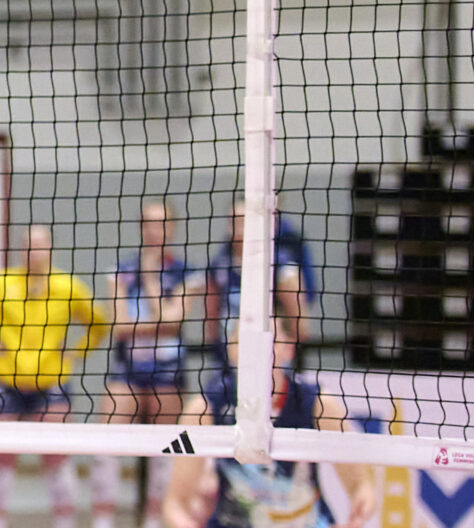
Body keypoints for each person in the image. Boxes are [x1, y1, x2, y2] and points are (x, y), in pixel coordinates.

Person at [0, 225, 108, 528]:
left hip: (51, 382)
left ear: (51, 249)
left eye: (40, 245)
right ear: (22, 250)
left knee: (57, 458)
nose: (34, 251)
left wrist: (75, 353)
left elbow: (99, 323)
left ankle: (64, 523)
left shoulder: (67, 286)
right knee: (0, 458)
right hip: (7, 382)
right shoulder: (2, 284)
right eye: (29, 245)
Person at [160, 314, 375, 528]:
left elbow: (361, 487)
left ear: (288, 349)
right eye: (246, 340)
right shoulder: (205, 408)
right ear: (232, 349)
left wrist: (358, 516)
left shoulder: (318, 404)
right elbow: (175, 504)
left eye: (270, 340)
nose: (258, 350)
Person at [99, 202, 197, 528]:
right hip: (126, 370)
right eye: (149, 223)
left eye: (162, 223)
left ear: (173, 227)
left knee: (166, 446)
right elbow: (119, 325)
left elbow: (173, 322)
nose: (155, 230)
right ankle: (103, 520)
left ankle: (155, 519)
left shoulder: (187, 272)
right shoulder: (121, 269)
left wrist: (151, 281)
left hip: (168, 371)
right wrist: (159, 321)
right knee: (106, 441)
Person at [204, 199, 316, 361]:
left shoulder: (282, 267)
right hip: (228, 360)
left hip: (271, 361)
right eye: (233, 220)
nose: (237, 227)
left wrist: (283, 353)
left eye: (243, 220)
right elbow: (211, 319)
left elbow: (300, 327)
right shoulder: (219, 264)